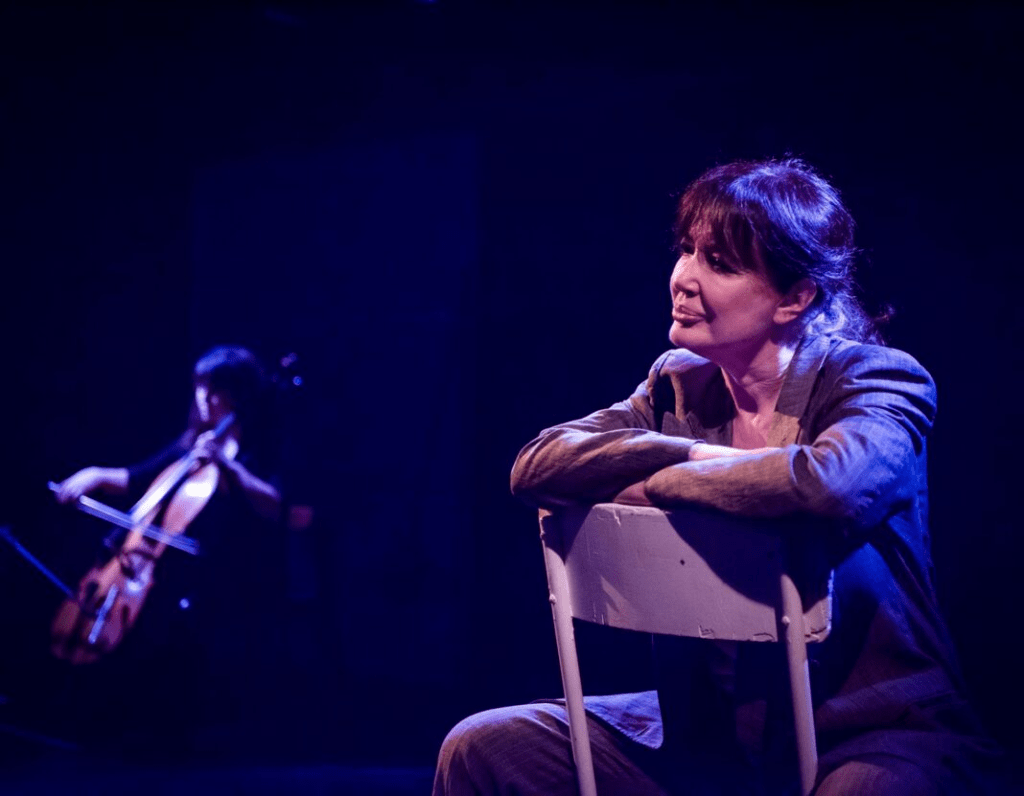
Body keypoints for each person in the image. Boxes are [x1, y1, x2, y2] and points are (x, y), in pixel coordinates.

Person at [434, 159, 1000, 794]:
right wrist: (698, 458)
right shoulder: (678, 386)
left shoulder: (874, 379)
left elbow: (825, 486)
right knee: (486, 748)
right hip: (712, 737)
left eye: (720, 263)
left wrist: (655, 484)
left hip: (867, 727)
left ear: (794, 297)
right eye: (686, 249)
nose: (683, 278)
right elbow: (537, 463)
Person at [49, 345, 288, 756]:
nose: (203, 399)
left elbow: (276, 506)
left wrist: (229, 467)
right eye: (199, 388)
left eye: (214, 390)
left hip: (226, 574)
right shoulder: (191, 447)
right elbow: (135, 478)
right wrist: (93, 475)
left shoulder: (258, 452)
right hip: (163, 569)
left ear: (239, 395)